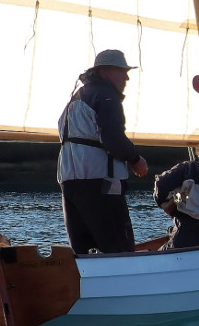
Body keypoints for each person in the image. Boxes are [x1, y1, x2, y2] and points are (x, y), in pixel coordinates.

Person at [57, 49, 148, 254]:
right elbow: (114, 140)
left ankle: (88, 284)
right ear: (105, 71)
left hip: (70, 182)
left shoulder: (76, 98)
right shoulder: (106, 96)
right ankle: (126, 284)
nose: (126, 77)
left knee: (83, 251)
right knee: (118, 247)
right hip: (100, 183)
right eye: (122, 71)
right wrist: (136, 159)